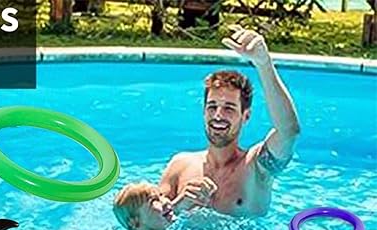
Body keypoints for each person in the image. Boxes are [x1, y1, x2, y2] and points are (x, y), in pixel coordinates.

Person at [116, 24, 301, 219]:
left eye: (229, 108)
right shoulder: (180, 165)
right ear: (204, 112)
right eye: (212, 106)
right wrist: (178, 206)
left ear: (246, 116)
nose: (218, 115)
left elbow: (289, 131)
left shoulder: (256, 168)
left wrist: (264, 64)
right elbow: (145, 225)